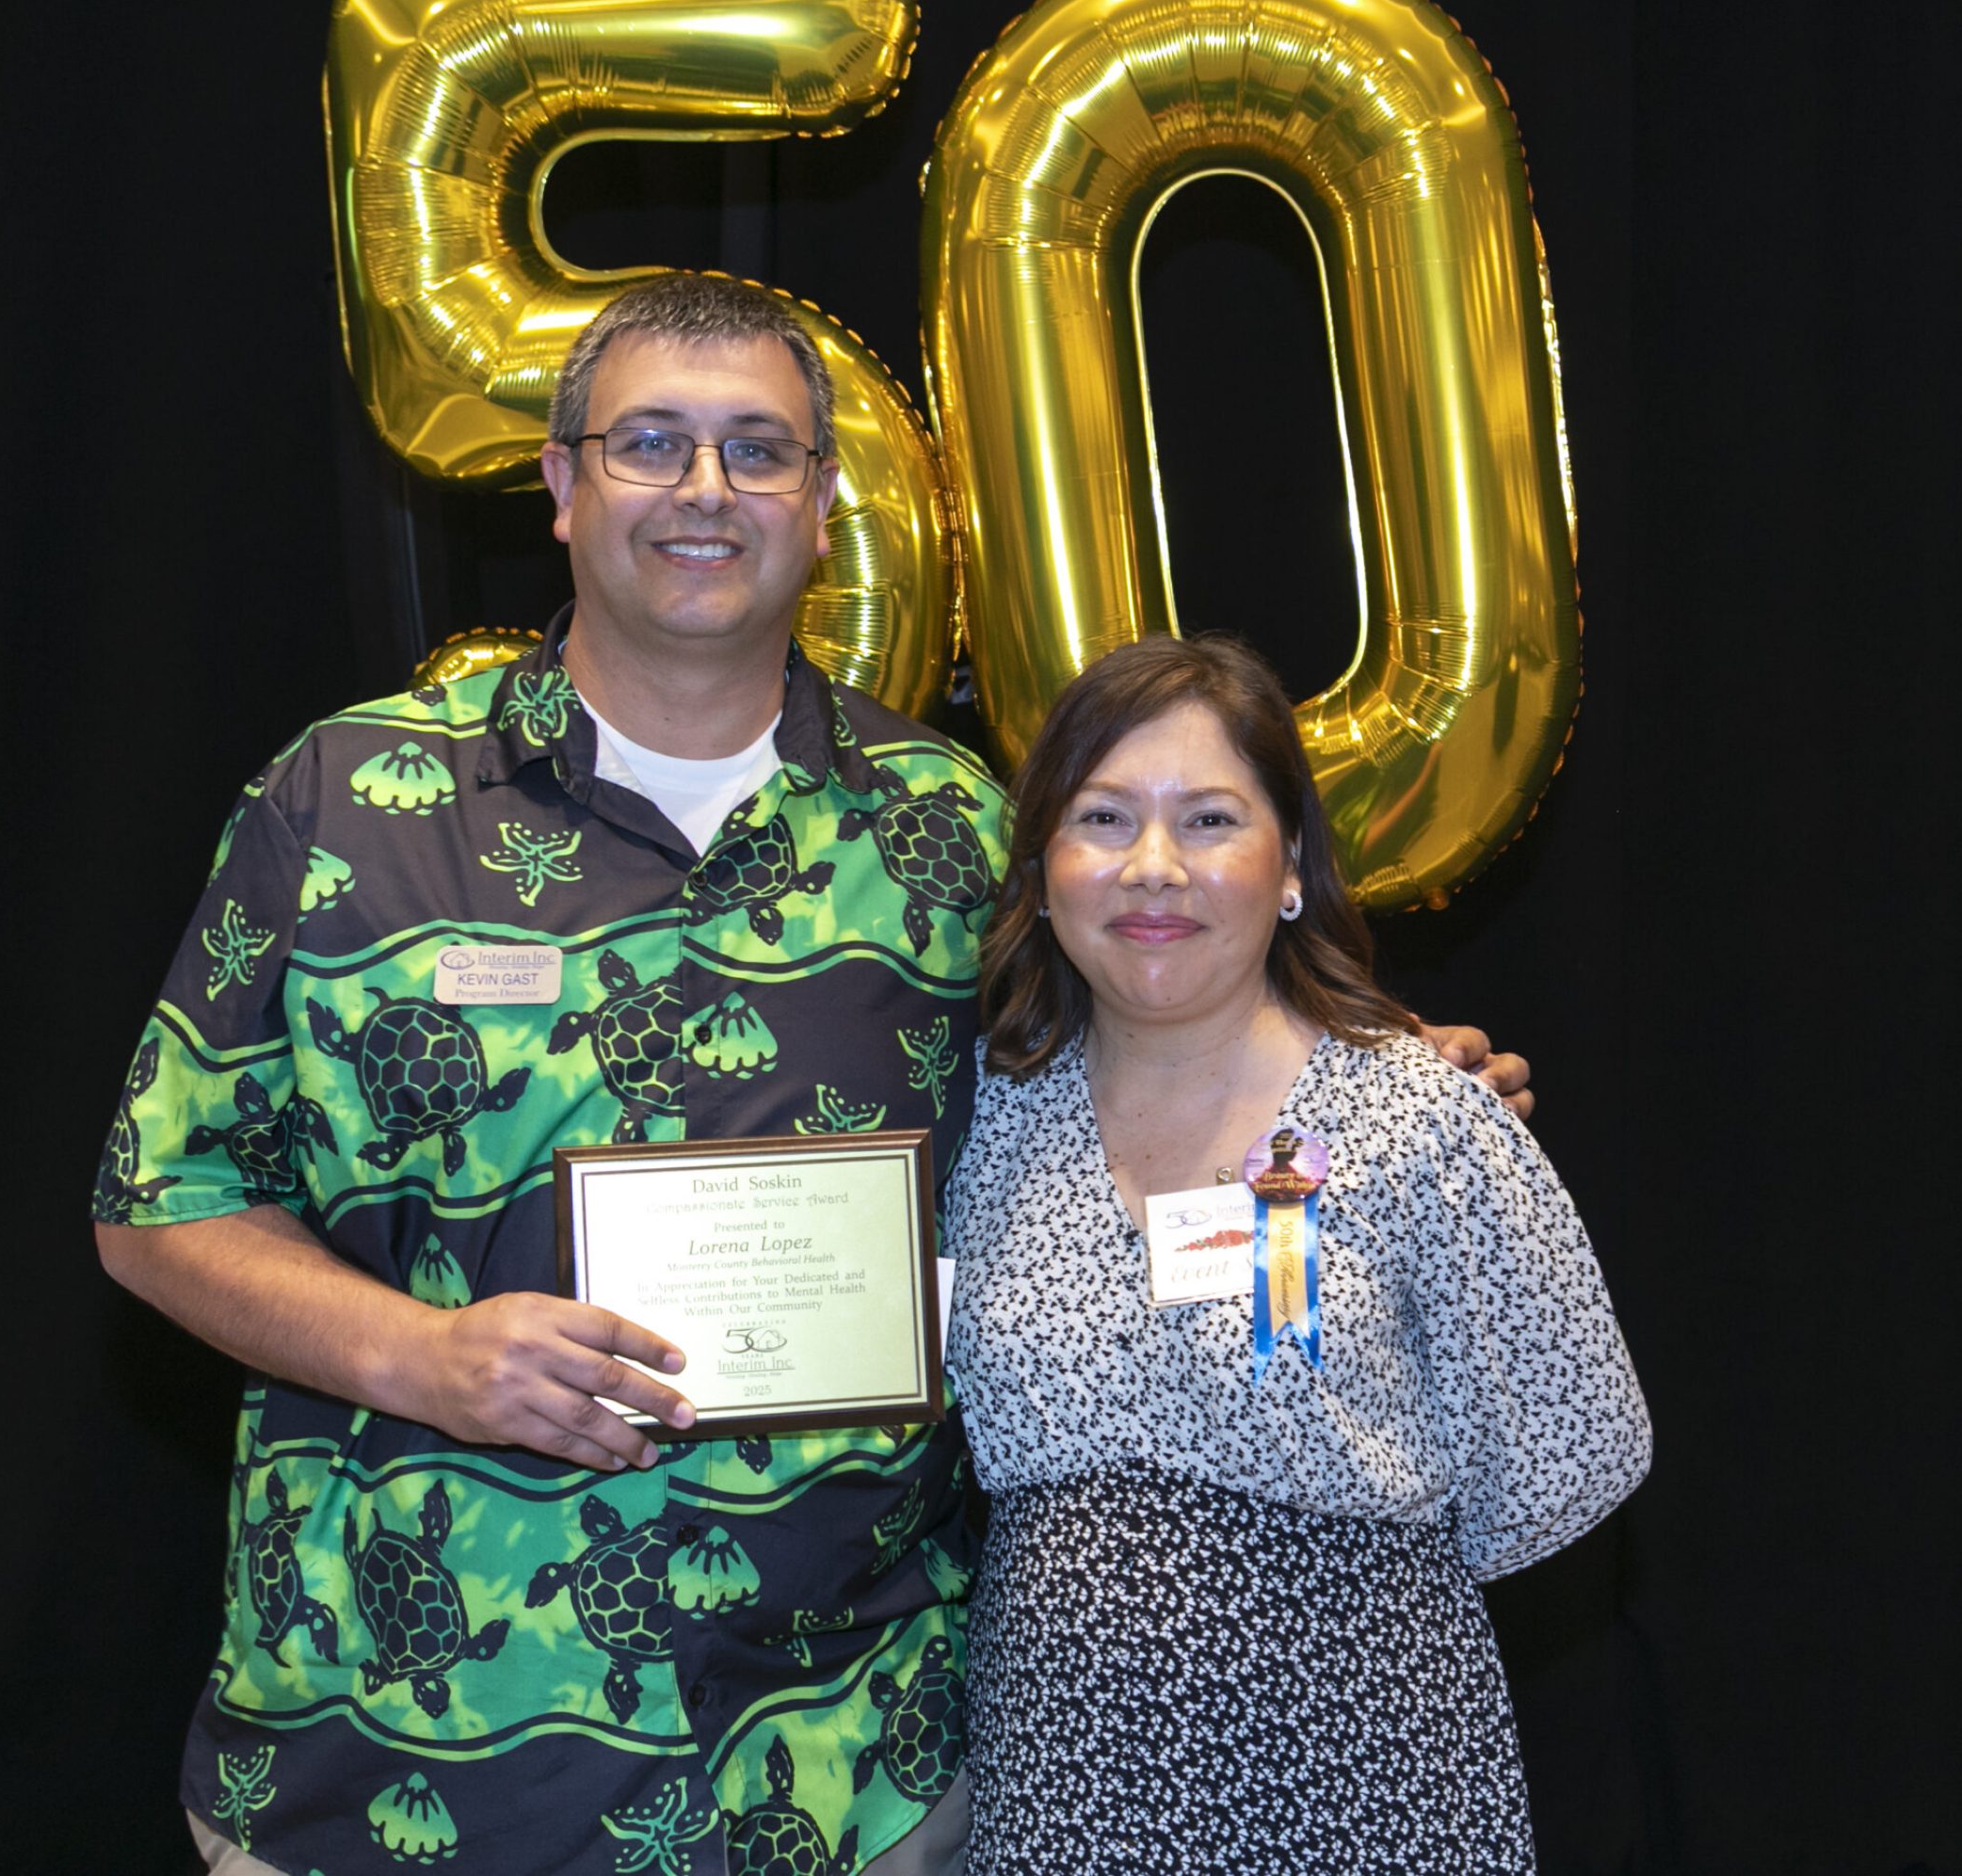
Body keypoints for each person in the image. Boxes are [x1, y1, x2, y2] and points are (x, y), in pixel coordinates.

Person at [94, 274, 1534, 1875]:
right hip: (403, 1769)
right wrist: (428, 1360)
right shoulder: (350, 800)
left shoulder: (955, 833)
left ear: (825, 507)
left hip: (848, 1774)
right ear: (563, 489)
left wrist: (1368, 1094)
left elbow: (1151, 1073)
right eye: (653, 443)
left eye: (759, 452)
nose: (707, 491)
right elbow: (161, 1206)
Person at [942, 634, 1648, 1874]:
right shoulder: (985, 1119)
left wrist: (1327, 1593)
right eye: (1103, 817)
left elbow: (1568, 1451)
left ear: (1288, 868)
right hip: (1059, 1796)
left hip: (1366, 1786)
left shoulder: (1419, 1120)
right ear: (1045, 868)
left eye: (1209, 818)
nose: (1152, 867)